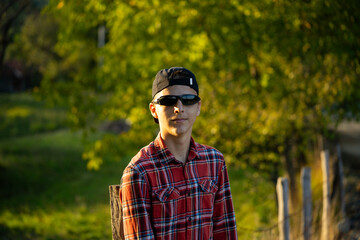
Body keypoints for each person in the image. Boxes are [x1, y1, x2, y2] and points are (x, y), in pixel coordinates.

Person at [119, 67, 237, 239]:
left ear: (198, 107)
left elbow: (225, 232)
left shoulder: (214, 161)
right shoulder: (138, 172)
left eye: (188, 100)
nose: (179, 108)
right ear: (153, 110)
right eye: (168, 100)